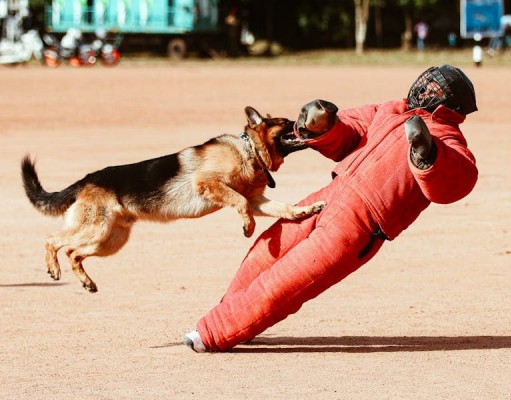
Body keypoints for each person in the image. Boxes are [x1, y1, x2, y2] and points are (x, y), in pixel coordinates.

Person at [183, 65, 479, 352]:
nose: (426, 88)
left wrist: (428, 154)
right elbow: (351, 131)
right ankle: (234, 319)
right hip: (328, 197)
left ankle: (213, 333)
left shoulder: (448, 138)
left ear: (451, 105)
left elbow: (458, 180)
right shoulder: (391, 109)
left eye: (436, 88)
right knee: (264, 251)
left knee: (285, 282)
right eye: (428, 80)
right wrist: (323, 125)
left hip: (360, 225)